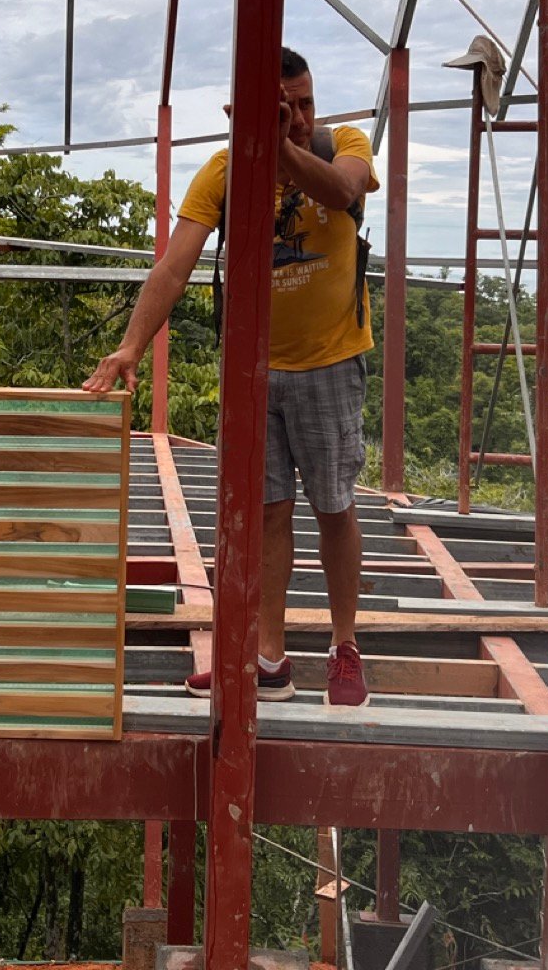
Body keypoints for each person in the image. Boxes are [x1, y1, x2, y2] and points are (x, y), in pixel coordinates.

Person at [82, 48, 379, 707]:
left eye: (305, 102)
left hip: (330, 362)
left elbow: (344, 191)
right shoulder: (222, 171)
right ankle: (266, 659)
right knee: (268, 512)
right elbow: (175, 265)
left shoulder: (342, 144)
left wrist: (281, 148)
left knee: (334, 505)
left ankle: (343, 644)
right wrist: (131, 346)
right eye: (284, 107)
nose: (300, 116)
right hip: (255, 371)